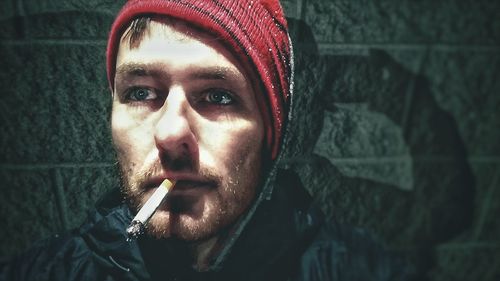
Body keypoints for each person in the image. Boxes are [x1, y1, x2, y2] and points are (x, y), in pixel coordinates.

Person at [0, 0, 408, 280]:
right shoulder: (46, 272)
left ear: (270, 132)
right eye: (140, 92)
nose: (170, 133)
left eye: (218, 96)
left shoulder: (355, 269)